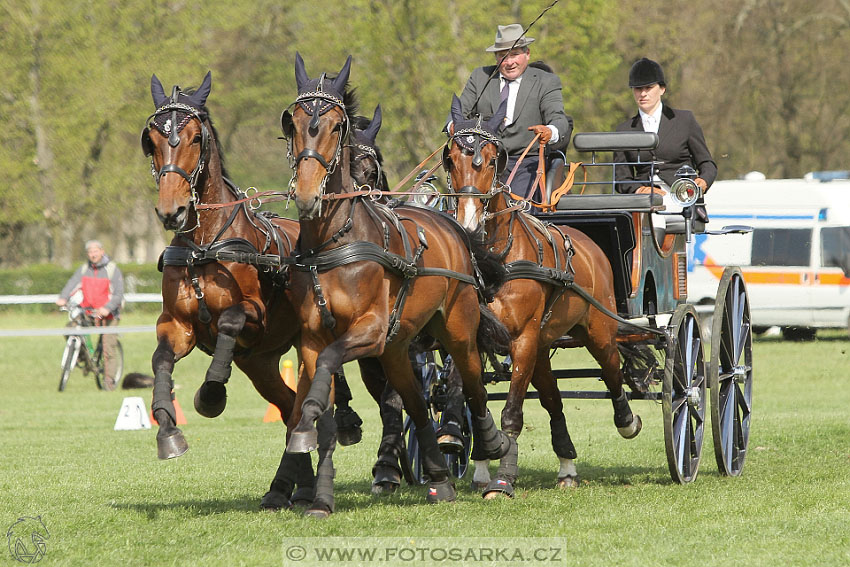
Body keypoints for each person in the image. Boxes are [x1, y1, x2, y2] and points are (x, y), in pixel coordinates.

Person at [452, 23, 573, 199]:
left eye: (515, 54)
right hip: (481, 161)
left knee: (515, 210)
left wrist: (550, 131)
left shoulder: (546, 82)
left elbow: (559, 120)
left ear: (527, 54)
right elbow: (459, 112)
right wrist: (452, 126)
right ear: (496, 57)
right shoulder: (480, 77)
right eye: (503, 55)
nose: (509, 62)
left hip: (526, 163)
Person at [613, 58, 717, 223]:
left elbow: (707, 164)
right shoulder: (624, 130)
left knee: (656, 217)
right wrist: (641, 189)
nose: (643, 93)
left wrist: (701, 182)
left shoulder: (685, 120)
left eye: (648, 88)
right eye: (638, 89)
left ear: (662, 89)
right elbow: (621, 179)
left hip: (680, 197)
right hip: (644, 201)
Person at [56, 240, 124, 389]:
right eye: (90, 252)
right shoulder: (83, 269)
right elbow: (71, 284)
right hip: (88, 311)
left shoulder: (112, 270)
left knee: (108, 347)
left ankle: (109, 382)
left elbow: (118, 294)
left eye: (95, 251)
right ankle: (84, 359)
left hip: (108, 314)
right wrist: (63, 298)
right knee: (70, 329)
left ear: (102, 251)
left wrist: (107, 308)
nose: (93, 254)